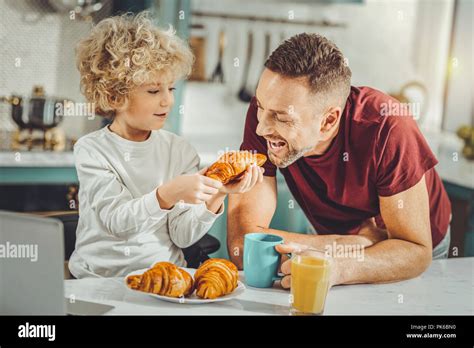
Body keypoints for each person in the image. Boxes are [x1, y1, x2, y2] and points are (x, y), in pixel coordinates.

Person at [228, 33, 451, 288]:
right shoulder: (267, 118)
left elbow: (414, 251)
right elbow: (243, 245)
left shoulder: (389, 128)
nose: (261, 128)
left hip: (409, 249)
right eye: (260, 106)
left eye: (282, 118)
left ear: (328, 121)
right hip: (330, 243)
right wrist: (341, 246)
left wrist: (341, 265)